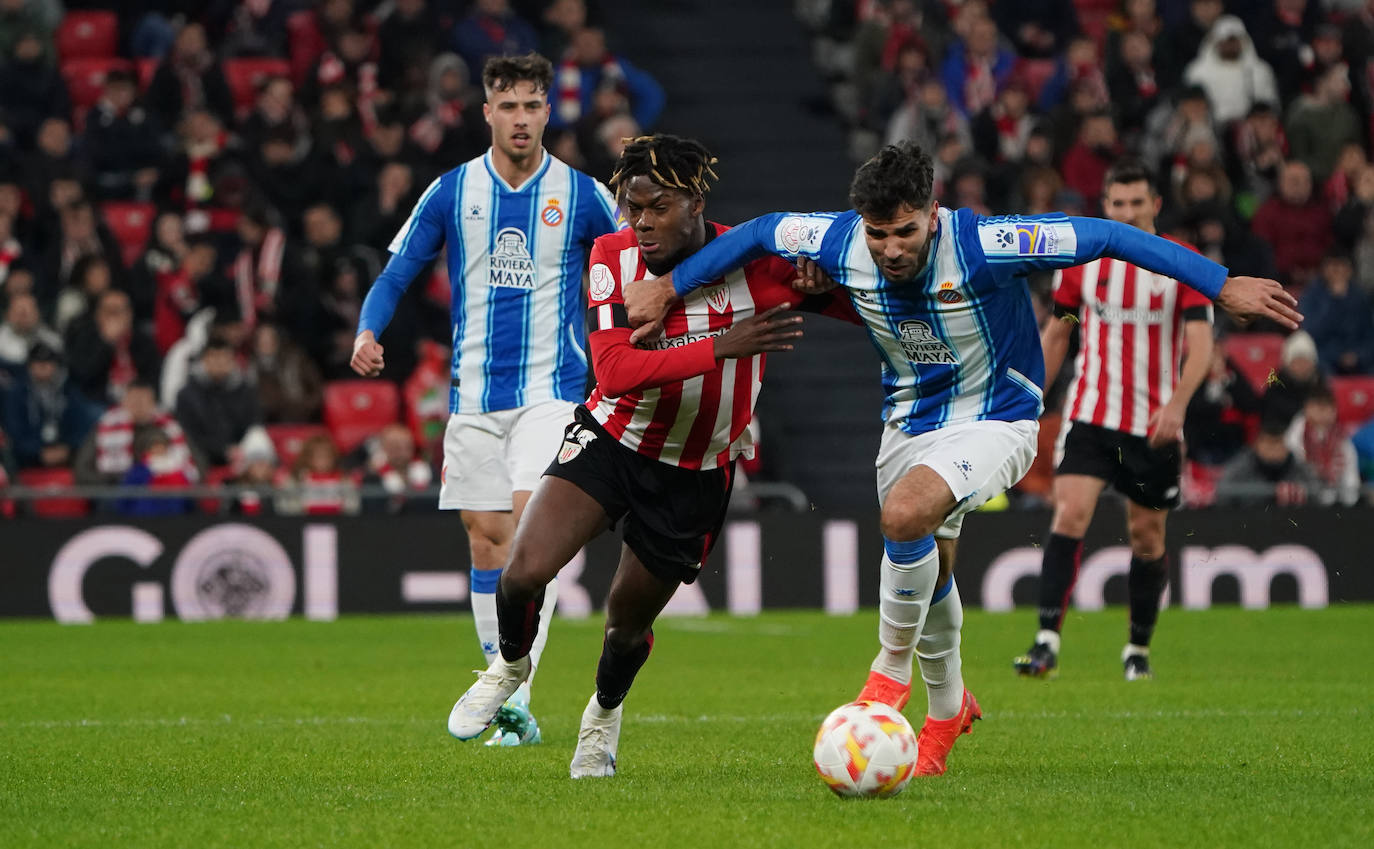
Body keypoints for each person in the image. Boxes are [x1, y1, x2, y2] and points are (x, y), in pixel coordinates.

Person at [621, 142, 1301, 777]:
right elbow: (760, 230)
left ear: (932, 214)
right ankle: (948, 712)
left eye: (906, 232)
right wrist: (667, 288)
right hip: (909, 421)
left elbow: (1108, 236)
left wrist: (1219, 283)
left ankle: (887, 675)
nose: (889, 249)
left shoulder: (987, 243)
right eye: (878, 234)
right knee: (933, 564)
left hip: (1000, 416)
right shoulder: (836, 239)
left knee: (904, 514)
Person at [443, 133, 851, 777]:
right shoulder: (612, 255)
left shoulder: (761, 264)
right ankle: (511, 666)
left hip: (695, 471)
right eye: (632, 206)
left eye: (656, 207)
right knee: (523, 572)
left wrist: (826, 283)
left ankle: (602, 717)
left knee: (624, 626)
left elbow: (860, 305)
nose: (641, 222)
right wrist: (723, 346)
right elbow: (612, 370)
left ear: (694, 201)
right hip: (613, 439)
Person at [350, 53, 624, 748]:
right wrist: (368, 329)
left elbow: (637, 261)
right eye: (509, 106)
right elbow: (400, 268)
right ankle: (516, 701)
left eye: (533, 105)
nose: (523, 118)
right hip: (472, 395)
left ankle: (511, 680)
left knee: (533, 526)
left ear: (546, 112)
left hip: (552, 391)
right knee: (485, 536)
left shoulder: (583, 193)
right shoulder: (452, 191)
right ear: (487, 112)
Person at [1011, 159, 1214, 682]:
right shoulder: (1081, 263)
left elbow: (1200, 348)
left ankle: (1138, 650)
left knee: (1147, 537)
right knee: (1069, 513)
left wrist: (1177, 405)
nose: (1126, 212)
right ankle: (1045, 642)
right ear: (1106, 207)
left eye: (1136, 203)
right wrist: (1028, 398)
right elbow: (1061, 332)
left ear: (1155, 206)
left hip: (1154, 423)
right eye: (1117, 204)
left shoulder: (1183, 263)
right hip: (1090, 414)